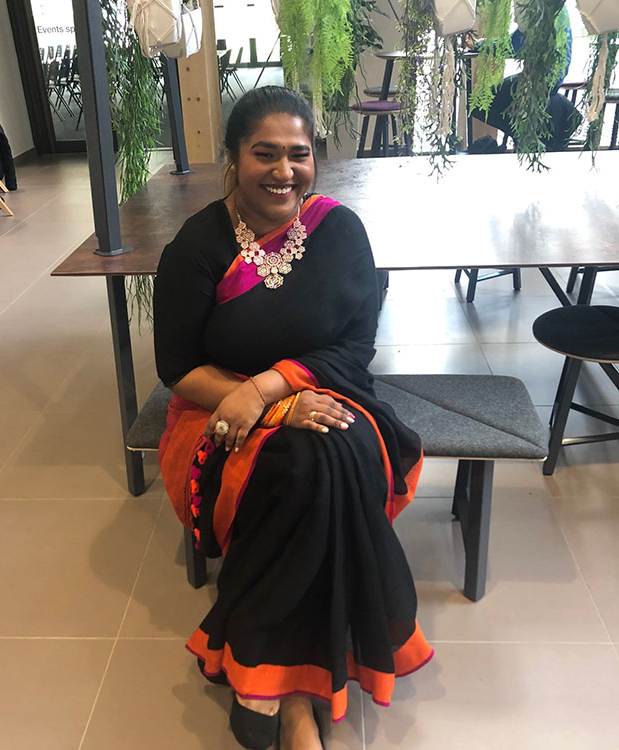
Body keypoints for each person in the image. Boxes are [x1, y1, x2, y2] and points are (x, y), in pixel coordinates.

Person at [153, 86, 432, 750]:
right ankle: (303, 694)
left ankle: (274, 684)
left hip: (331, 390)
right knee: (304, 465)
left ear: (316, 159)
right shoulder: (197, 246)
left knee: (329, 455)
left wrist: (275, 386)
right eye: (265, 154)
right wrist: (268, 405)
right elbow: (178, 367)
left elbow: (354, 349)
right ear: (232, 157)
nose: (284, 171)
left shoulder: (339, 231)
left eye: (299, 154)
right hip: (216, 409)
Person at [471, 5, 580, 152]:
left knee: (480, 103)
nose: (515, 19)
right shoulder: (558, 8)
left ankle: (516, 136)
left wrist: (482, 45)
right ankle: (517, 136)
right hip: (552, 84)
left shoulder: (535, 6)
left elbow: (515, 45)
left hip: (536, 84)